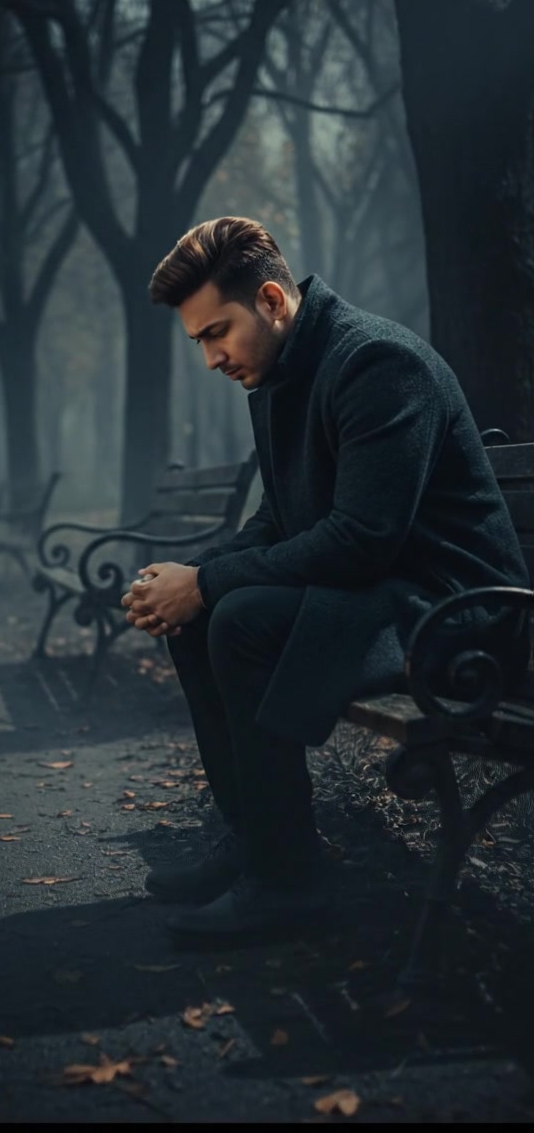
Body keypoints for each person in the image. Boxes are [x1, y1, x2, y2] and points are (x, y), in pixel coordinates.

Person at [120, 216, 530, 940]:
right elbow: (280, 520)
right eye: (200, 342)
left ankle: (289, 884)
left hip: (459, 614)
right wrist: (194, 579)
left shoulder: (375, 364)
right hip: (388, 592)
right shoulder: (283, 373)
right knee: (206, 613)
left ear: (273, 300)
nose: (211, 357)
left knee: (238, 618)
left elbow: (362, 540)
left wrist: (211, 584)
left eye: (217, 332)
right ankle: (257, 841)